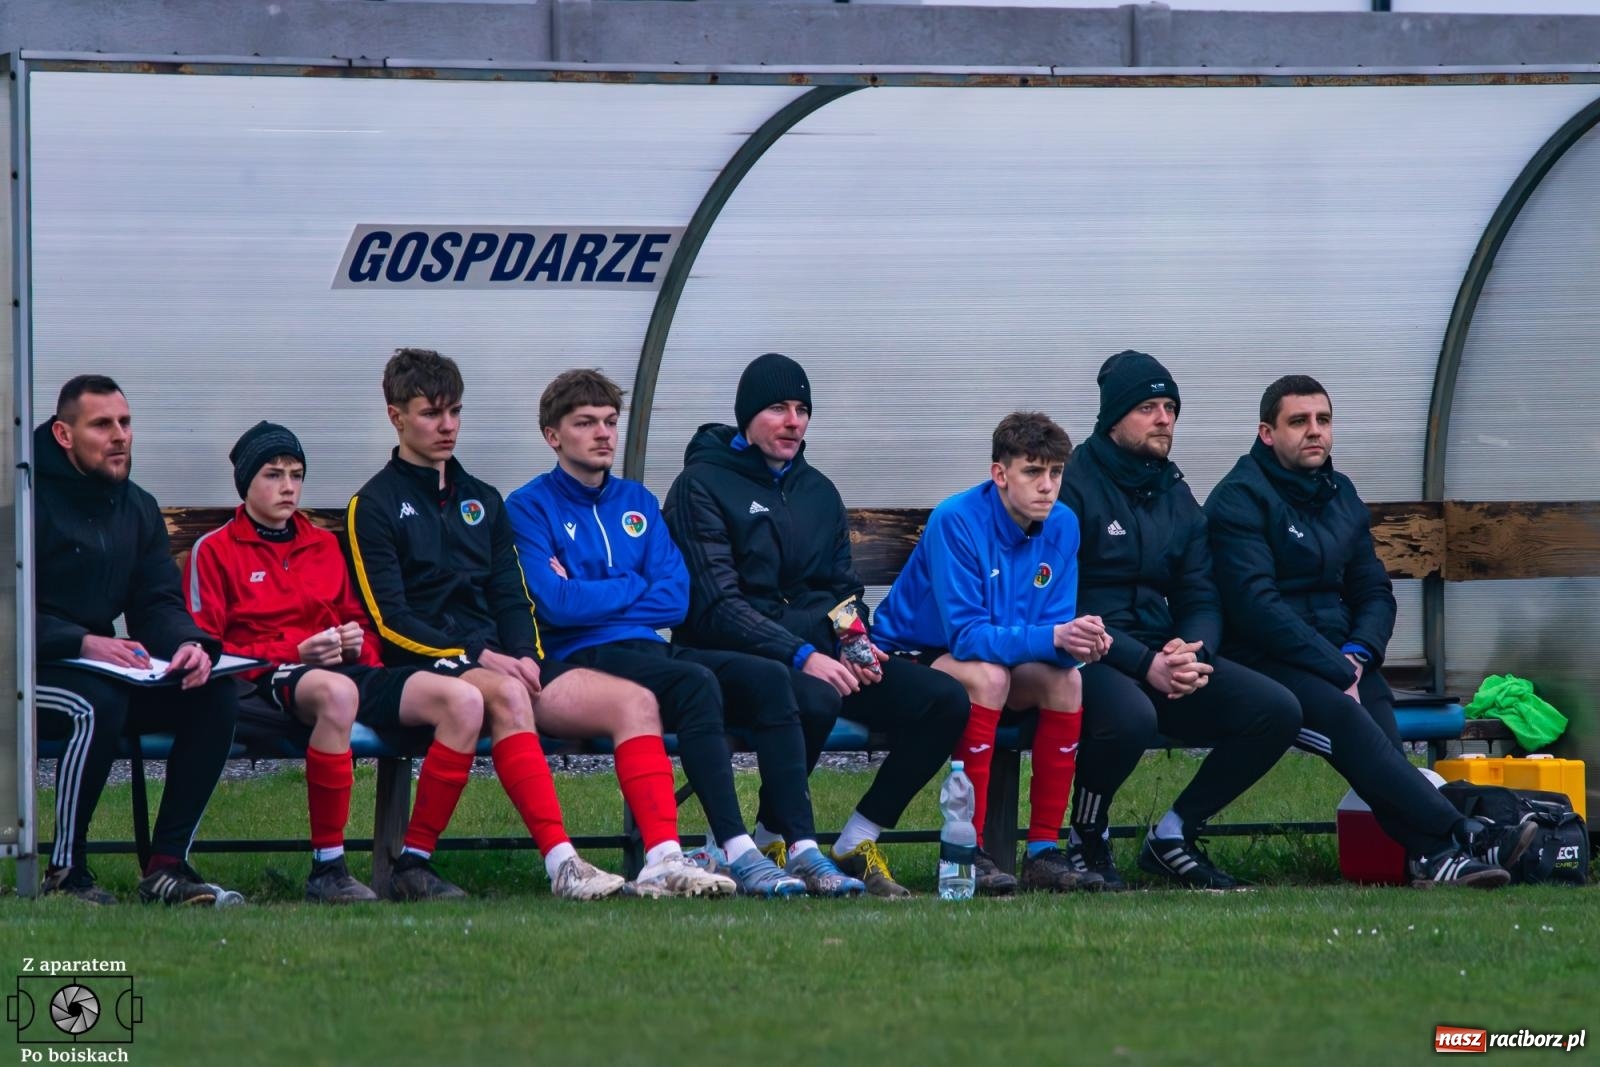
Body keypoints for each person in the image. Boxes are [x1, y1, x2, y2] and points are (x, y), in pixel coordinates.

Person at [347, 348, 729, 900]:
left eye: (454, 411)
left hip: (508, 667)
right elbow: (391, 619)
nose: (447, 426)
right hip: (424, 666)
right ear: (395, 416)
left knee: (634, 703)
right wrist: (479, 657)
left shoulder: (484, 500)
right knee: (500, 692)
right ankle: (563, 864)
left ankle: (663, 858)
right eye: (431, 413)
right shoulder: (374, 504)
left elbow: (513, 597)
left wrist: (525, 652)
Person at [506, 369, 863, 897]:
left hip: (650, 645)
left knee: (769, 678)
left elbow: (676, 597)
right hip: (583, 656)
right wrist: (633, 585)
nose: (604, 434)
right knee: (694, 682)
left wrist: (595, 587)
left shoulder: (639, 501)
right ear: (552, 436)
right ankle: (736, 849)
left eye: (609, 421)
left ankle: (802, 846)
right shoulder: (528, 506)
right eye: (586, 423)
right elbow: (554, 606)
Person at [1205, 374, 1535, 888]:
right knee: (1361, 741)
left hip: (1345, 662)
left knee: (1381, 752)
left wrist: (1358, 655)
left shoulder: (1340, 493)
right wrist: (1336, 669)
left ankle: (1433, 856)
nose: (1315, 432)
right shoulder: (1238, 499)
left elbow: (1374, 592)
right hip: (1267, 663)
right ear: (1267, 433)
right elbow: (1255, 607)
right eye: (1299, 421)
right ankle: (1464, 833)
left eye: (1323, 420)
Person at [664, 352, 970, 898]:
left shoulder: (817, 490)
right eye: (778, 409)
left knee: (944, 699)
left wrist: (857, 646)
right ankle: (770, 840)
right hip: (738, 662)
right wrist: (804, 655)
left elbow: (842, 589)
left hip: (825, 659)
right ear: (747, 416)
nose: (794, 421)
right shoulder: (700, 487)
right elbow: (718, 606)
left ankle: (857, 838)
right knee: (816, 696)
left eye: (802, 409)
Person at [189, 421, 503, 902]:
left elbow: (362, 619)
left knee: (462, 700)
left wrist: (359, 646)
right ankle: (328, 869)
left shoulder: (323, 545)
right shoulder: (213, 550)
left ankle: (414, 863)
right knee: (338, 693)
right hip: (269, 678)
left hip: (347, 672)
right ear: (246, 482)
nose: (288, 486)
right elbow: (208, 649)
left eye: (296, 474)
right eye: (273, 475)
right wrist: (294, 653)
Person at [1059, 350, 1302, 890]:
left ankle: (1173, 834)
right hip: (1085, 650)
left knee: (1277, 710)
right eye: (1149, 406)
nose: (1164, 418)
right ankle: (1085, 835)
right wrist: (1144, 663)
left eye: (1170, 407)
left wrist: (1194, 652)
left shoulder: (1174, 491)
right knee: (1131, 717)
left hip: (1161, 652)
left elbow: (1201, 592)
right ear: (1114, 417)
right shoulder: (1071, 486)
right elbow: (1062, 604)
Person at [873, 412, 1111, 895]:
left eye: (1056, 473)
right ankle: (970, 850)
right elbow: (965, 636)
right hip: (913, 654)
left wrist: (1081, 642)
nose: (1047, 486)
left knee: (1068, 680)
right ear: (999, 474)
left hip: (994, 653)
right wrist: (1055, 638)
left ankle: (1044, 851)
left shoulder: (1063, 524)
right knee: (990, 678)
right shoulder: (955, 520)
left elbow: (1052, 628)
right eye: (1032, 471)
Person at [34, 374, 243, 906]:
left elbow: (156, 602)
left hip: (98, 666)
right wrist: (81, 642)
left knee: (213, 692)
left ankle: (167, 866)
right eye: (102, 425)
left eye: (125, 423)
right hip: (26, 667)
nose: (120, 436)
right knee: (97, 704)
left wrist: (190, 646)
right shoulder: (23, 497)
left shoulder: (138, 507)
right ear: (63, 434)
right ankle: (65, 872)